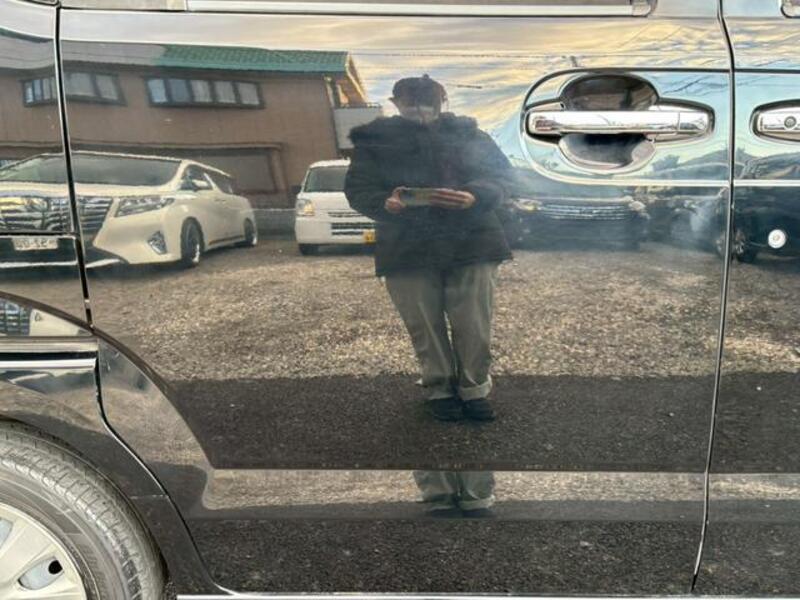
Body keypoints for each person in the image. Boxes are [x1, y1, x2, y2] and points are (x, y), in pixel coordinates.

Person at [345, 74, 512, 422]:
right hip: (406, 244)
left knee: (473, 322)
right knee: (423, 324)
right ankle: (440, 389)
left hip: (473, 239)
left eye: (428, 103)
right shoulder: (374, 141)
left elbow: (503, 177)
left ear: (442, 102)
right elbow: (358, 189)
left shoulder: (471, 135)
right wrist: (385, 202)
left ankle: (474, 389)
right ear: (395, 104)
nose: (420, 110)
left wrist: (475, 195)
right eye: (411, 103)